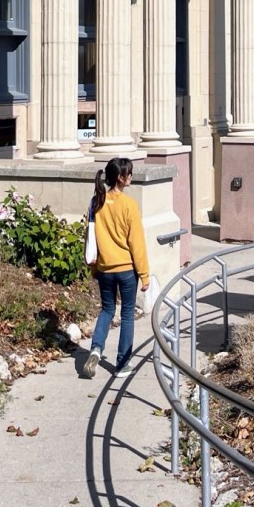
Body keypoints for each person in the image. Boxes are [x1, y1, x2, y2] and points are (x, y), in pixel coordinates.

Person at [82, 156, 149, 381]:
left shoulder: (96, 202)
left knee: (107, 310)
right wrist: (145, 275)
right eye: (128, 173)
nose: (131, 176)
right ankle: (122, 365)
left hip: (104, 268)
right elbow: (136, 244)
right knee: (127, 314)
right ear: (121, 178)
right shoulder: (129, 205)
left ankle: (95, 349)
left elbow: (90, 237)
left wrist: (94, 267)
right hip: (127, 269)